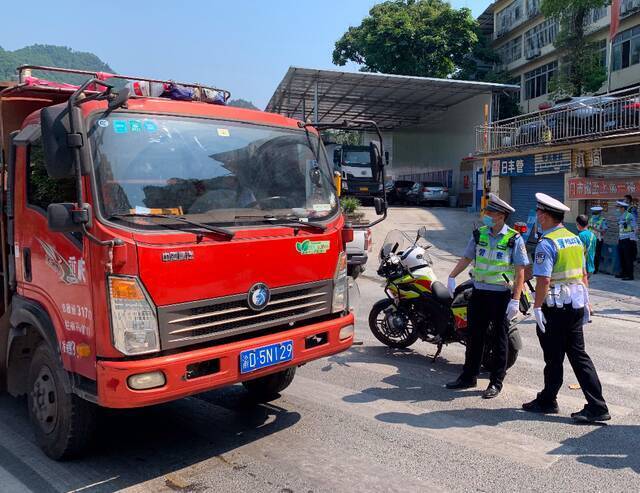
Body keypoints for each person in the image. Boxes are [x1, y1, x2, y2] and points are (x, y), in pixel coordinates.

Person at [522, 193, 609, 423]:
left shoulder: (547, 243)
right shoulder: (574, 239)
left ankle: (548, 400)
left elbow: (544, 280)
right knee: (579, 356)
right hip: (575, 305)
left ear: (547, 215)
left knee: (553, 357)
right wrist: (587, 302)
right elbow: (582, 274)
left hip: (555, 307)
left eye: (540, 212)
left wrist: (537, 307)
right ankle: (597, 406)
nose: (538, 216)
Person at [445, 193, 529, 399]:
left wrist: (515, 300)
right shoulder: (479, 234)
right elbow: (467, 257)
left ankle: (496, 382)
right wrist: (452, 276)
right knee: (474, 337)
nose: (486, 215)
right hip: (479, 293)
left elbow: (520, 272)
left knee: (499, 340)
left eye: (490, 212)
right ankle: (468, 376)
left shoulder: (513, 239)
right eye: (486, 212)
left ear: (501, 216)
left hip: (500, 296)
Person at [615, 199, 637, 281]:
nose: (618, 209)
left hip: (628, 240)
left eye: (619, 207)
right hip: (621, 239)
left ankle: (630, 275)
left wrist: (632, 238)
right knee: (622, 257)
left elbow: (635, 228)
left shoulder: (630, 216)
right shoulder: (621, 215)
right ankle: (623, 273)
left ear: (623, 208)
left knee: (628, 258)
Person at [587, 206, 607, 274]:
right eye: (593, 213)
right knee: (590, 254)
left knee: (596, 255)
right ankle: (590, 268)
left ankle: (595, 269)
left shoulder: (603, 220)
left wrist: (594, 228)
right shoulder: (591, 219)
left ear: (599, 213)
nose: (594, 215)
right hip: (590, 239)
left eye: (595, 213)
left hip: (598, 239)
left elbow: (604, 231)